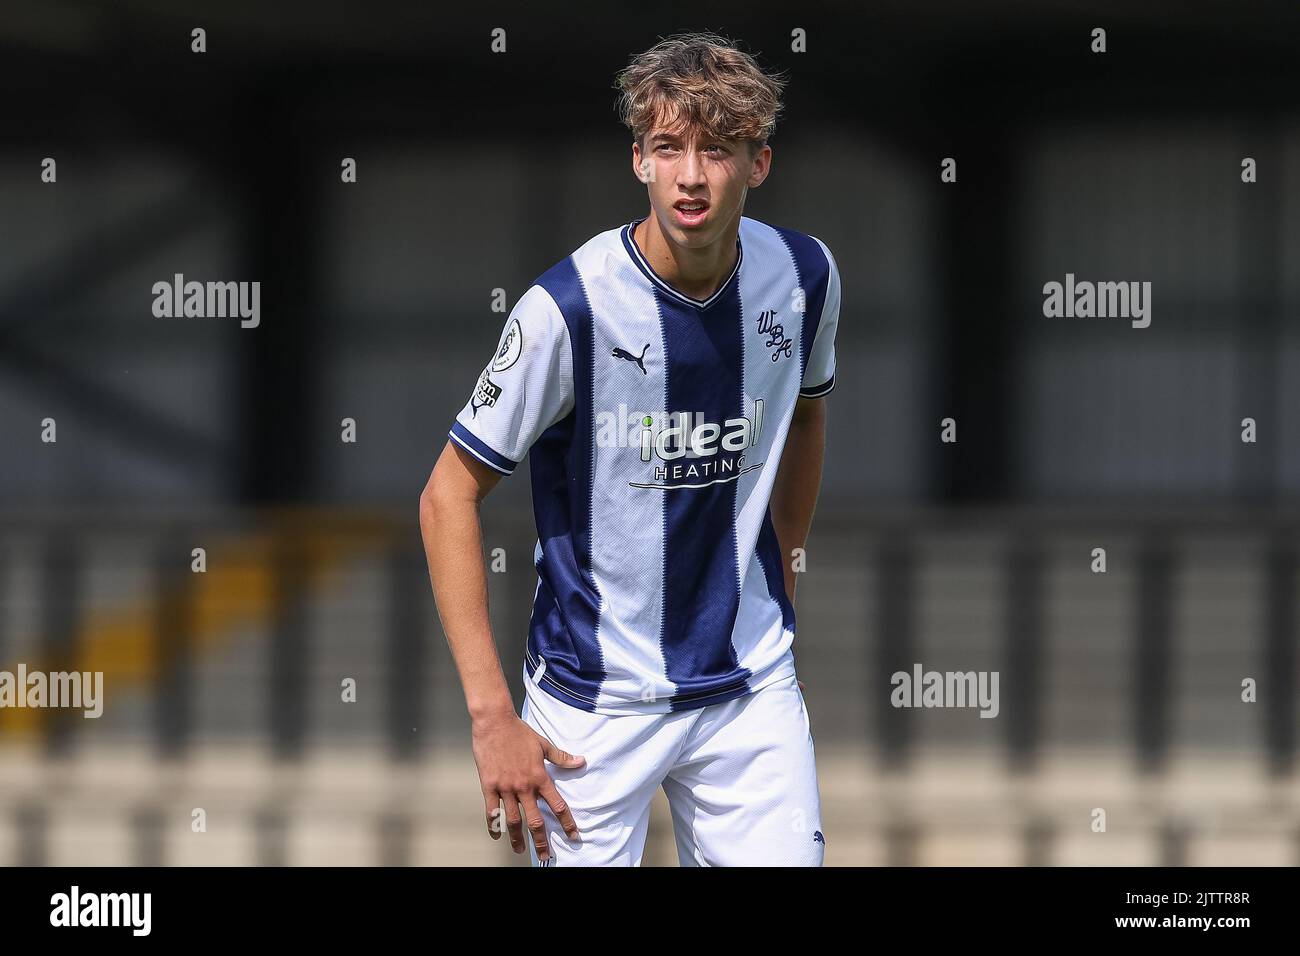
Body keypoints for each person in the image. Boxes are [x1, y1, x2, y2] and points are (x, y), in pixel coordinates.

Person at [419, 32, 840, 866]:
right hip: (589, 709)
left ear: (759, 163)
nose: (691, 174)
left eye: (718, 149)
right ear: (638, 160)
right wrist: (492, 716)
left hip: (746, 691)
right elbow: (446, 496)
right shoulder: (565, 309)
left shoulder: (805, 276)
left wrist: (785, 557)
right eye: (669, 147)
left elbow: (807, 416)